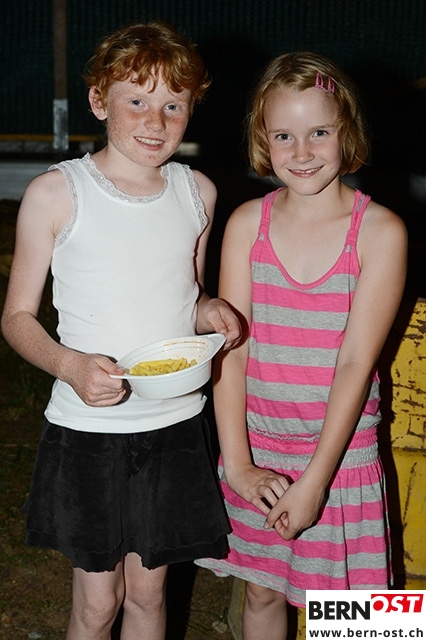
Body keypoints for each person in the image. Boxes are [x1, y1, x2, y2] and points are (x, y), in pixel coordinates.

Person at [1, 22, 241, 640]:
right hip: (89, 430)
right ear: (98, 100)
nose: (155, 121)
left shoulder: (198, 192)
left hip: (176, 424)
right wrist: (70, 366)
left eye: (173, 106)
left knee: (150, 595)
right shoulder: (57, 193)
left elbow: (188, 295)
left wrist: (210, 310)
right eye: (137, 101)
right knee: (97, 604)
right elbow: (17, 317)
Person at [196, 51, 407, 640]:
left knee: (353, 616)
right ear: (263, 139)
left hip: (339, 460)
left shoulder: (381, 232)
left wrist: (316, 481)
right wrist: (239, 464)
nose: (302, 151)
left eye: (319, 132)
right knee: (262, 593)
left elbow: (356, 362)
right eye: (284, 136)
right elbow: (232, 351)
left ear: (347, 132)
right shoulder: (247, 224)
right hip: (259, 451)